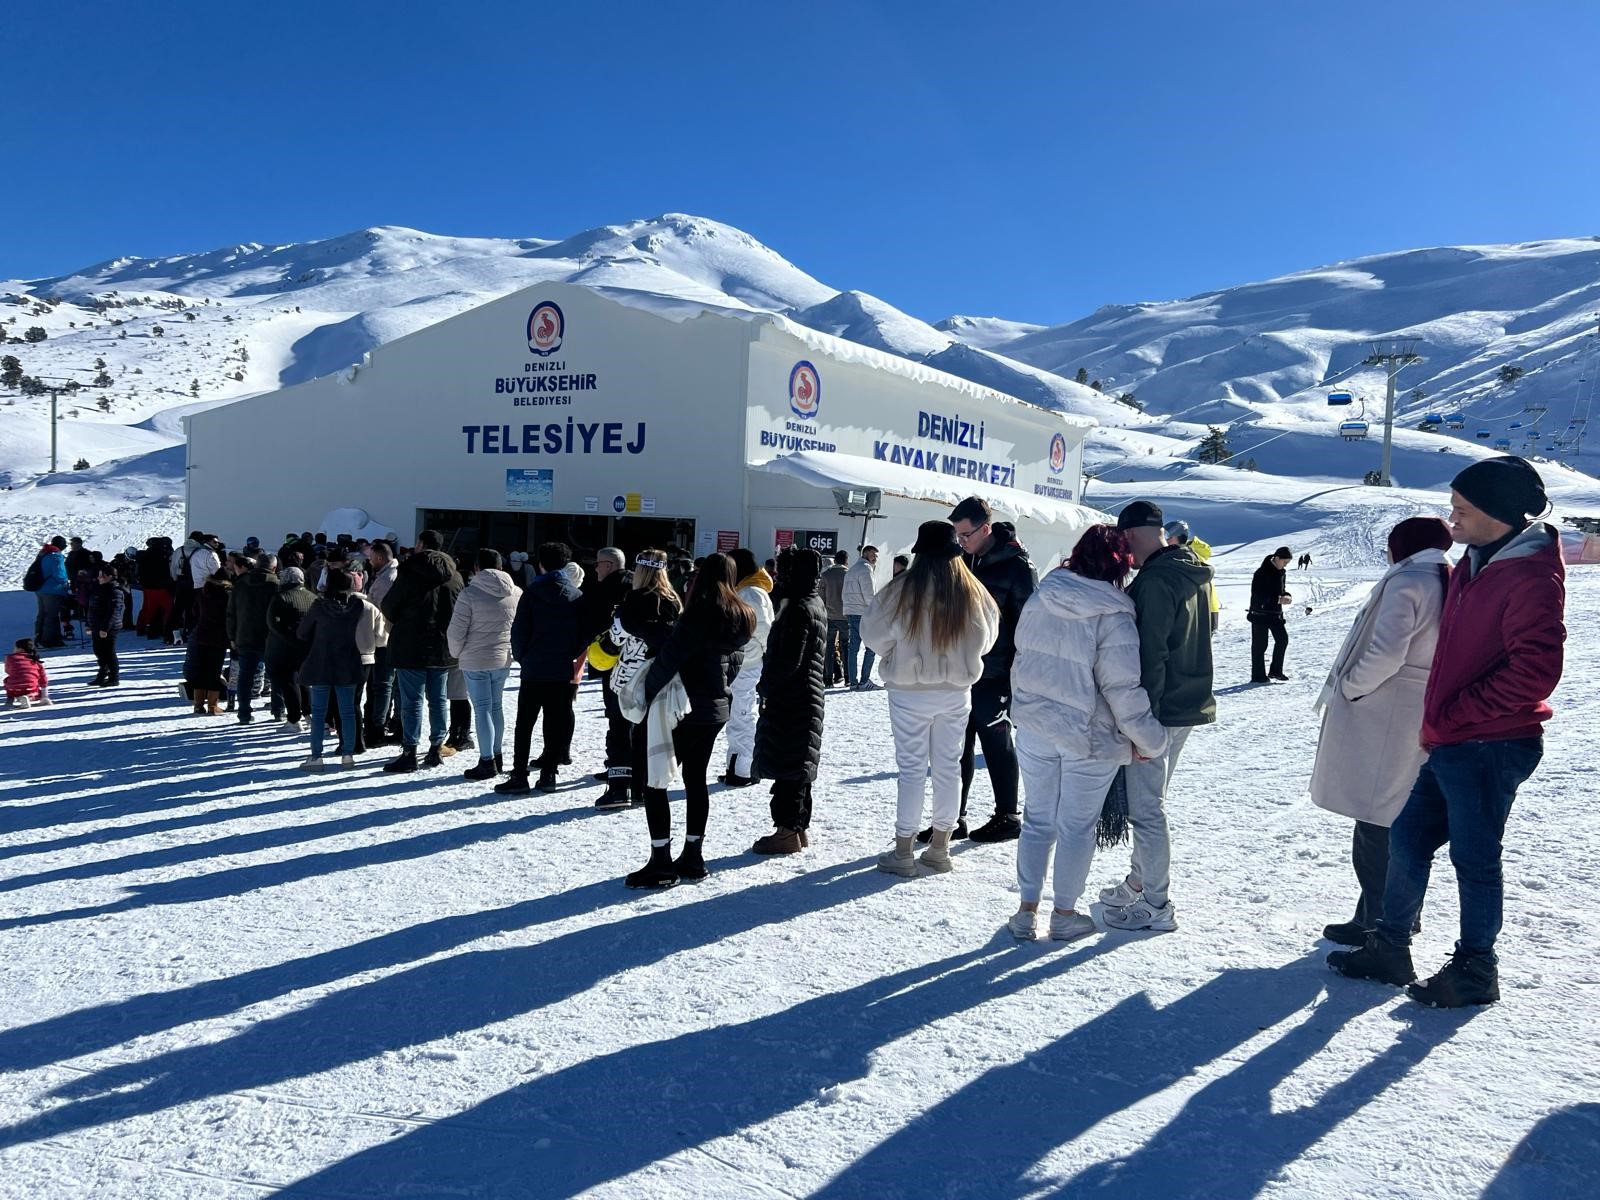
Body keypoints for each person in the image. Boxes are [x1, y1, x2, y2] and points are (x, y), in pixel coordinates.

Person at [1330, 457, 1565, 1007]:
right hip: (1451, 740)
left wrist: (1458, 713)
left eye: (1461, 510)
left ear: (1497, 514)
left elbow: (1536, 671)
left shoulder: (1531, 575)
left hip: (1492, 743)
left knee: (1475, 858)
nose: (1451, 521)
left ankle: (1476, 970)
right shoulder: (1473, 563)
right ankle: (1390, 947)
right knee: (1409, 840)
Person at [1008, 525, 1168, 941]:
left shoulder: (1041, 596)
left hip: (1036, 727)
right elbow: (1122, 689)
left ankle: (1026, 912)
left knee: (1037, 820)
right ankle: (1063, 914)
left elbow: (1021, 660)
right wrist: (1151, 740)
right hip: (1088, 737)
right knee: (1076, 827)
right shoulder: (1113, 614)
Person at [1312, 517, 1452, 946]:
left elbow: (1386, 651)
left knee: (1375, 820)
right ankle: (1397, 914)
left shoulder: (1409, 580)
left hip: (1384, 711)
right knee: (1398, 816)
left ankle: (1378, 920)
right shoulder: (1443, 576)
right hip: (1414, 709)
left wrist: (1352, 687)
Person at [1102, 500, 1215, 932]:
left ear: (1129, 535)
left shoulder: (1153, 581)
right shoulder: (1190, 567)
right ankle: (1140, 880)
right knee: (1152, 802)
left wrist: (1137, 721)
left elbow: (1151, 656)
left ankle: (1157, 903)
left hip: (1160, 708)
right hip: (1187, 701)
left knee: (1147, 809)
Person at [863, 520, 999, 878]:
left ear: (919, 552)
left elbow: (873, 635)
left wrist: (900, 651)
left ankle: (903, 850)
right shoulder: (973, 591)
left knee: (911, 770)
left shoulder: (899, 591)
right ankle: (940, 848)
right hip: (956, 692)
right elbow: (988, 641)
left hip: (908, 692)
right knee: (948, 768)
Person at [624, 552, 755, 889]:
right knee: (695, 778)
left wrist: (646, 695)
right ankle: (693, 855)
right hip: (715, 708)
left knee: (655, 781)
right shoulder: (742, 616)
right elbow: (735, 664)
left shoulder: (698, 614)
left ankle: (661, 862)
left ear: (702, 577)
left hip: (683, 707)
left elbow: (669, 659)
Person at [944, 496, 1036, 844]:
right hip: (962, 668)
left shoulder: (1017, 566)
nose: (960, 541)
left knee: (996, 741)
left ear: (985, 528)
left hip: (997, 671)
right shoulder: (965, 559)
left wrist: (1018, 673)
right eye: (957, 535)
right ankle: (954, 816)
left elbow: (1029, 625)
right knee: (958, 743)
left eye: (965, 534)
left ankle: (1007, 815)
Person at [750, 547, 828, 854]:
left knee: (787, 762)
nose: (778, 577)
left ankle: (786, 830)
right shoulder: (813, 602)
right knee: (799, 763)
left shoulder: (797, 608)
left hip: (792, 696)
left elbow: (788, 660)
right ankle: (797, 828)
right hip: (807, 694)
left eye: (784, 571)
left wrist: (766, 684)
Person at [497, 543, 585, 794]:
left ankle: (519, 775)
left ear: (540, 564)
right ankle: (549, 774)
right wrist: (569, 654)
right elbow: (582, 634)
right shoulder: (576, 596)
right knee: (555, 721)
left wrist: (524, 657)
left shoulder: (533, 592)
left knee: (525, 723)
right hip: (561, 668)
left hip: (534, 667)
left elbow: (519, 630)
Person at [380, 530, 465, 772]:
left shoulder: (409, 572)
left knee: (412, 701)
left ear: (420, 544)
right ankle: (436, 748)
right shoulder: (455, 576)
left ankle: (410, 751)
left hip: (410, 645)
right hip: (442, 645)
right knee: (438, 699)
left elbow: (389, 606)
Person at [604, 550, 682, 807]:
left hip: (628, 676)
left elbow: (616, 638)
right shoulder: (673, 601)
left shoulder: (633, 599)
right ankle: (641, 786)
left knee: (620, 730)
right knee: (646, 732)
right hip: (659, 676)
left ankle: (618, 788)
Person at [296, 568, 384, 771]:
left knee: (318, 713)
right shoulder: (358, 606)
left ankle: (316, 757)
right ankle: (348, 755)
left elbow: (302, 633)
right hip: (349, 663)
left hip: (321, 663)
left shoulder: (320, 606)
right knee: (347, 711)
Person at [447, 548, 520, 781]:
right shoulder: (516, 592)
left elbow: (457, 632)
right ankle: (497, 756)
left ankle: (486, 761)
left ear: (477, 568)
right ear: (501, 566)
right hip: (502, 657)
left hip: (475, 659)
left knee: (482, 709)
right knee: (496, 707)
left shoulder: (469, 594)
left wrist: (456, 653)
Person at [582, 548, 634, 806]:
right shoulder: (637, 586)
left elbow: (594, 623)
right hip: (638, 665)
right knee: (632, 720)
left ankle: (619, 777)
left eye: (598, 564)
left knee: (617, 720)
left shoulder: (606, 590)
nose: (595, 569)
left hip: (612, 661)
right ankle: (629, 773)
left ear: (610, 565)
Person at [723, 547, 774, 788]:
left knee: (743, 713)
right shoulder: (747, 589)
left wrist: (748, 650)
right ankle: (736, 765)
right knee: (738, 713)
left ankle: (743, 769)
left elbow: (762, 630)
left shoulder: (751, 592)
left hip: (748, 662)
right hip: (744, 661)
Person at [226, 552, 278, 724]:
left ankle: (244, 712)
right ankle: (278, 709)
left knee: (245, 675)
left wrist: (232, 636)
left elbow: (231, 613)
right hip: (270, 638)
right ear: (274, 567)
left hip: (244, 635)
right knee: (276, 675)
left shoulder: (240, 584)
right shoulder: (276, 585)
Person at [266, 567, 316, 731]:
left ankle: (294, 719)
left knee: (289, 682)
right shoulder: (312, 597)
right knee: (303, 682)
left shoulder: (281, 597)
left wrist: (288, 638)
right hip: (307, 645)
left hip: (284, 648)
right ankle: (308, 714)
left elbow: (273, 624)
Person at [363, 539, 400, 745]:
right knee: (387, 685)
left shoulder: (386, 579)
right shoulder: (388, 575)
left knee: (383, 685)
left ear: (379, 557)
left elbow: (380, 611)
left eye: (370, 558)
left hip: (384, 638)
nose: (369, 562)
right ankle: (383, 721)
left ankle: (377, 726)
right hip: (387, 637)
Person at [186, 569, 233, 716]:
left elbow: (194, 612)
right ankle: (213, 706)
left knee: (201, 670)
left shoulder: (203, 593)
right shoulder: (227, 595)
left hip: (202, 633)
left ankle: (198, 705)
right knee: (214, 671)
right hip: (218, 636)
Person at [1165, 520, 1222, 634]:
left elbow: (1204, 551)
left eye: (1168, 536)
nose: (1165, 540)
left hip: (1204, 607)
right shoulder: (1173, 554)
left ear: (1177, 536)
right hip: (1192, 607)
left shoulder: (1190, 555)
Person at [1247, 546, 1294, 682]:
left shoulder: (1282, 573)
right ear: (1277, 558)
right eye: (1284, 562)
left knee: (1282, 640)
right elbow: (1257, 596)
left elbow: (1282, 590)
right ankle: (1258, 676)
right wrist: (1278, 599)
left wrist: (1287, 596)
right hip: (1259, 614)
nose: (1285, 565)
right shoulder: (1261, 573)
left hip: (1275, 614)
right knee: (1260, 645)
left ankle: (1275, 671)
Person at [842, 545, 881, 690]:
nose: (875, 558)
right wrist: (876, 611)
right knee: (871, 647)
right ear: (865, 554)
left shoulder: (852, 569)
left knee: (853, 648)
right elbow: (869, 595)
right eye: (873, 554)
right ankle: (864, 681)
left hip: (851, 612)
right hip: (864, 613)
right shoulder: (865, 569)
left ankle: (852, 682)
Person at [85, 563, 126, 688]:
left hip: (109, 627)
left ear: (109, 576)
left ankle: (114, 677)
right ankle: (102, 673)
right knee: (98, 650)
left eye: (101, 576)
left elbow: (113, 612)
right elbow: (91, 608)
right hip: (97, 625)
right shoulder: (99, 589)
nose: (98, 578)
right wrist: (89, 624)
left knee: (108, 651)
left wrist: (105, 628)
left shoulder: (115, 591)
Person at [30, 538, 71, 649]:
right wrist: (66, 583)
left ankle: (39, 637)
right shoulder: (56, 556)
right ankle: (50, 640)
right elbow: (60, 575)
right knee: (52, 615)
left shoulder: (43, 553)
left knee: (42, 613)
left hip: (40, 589)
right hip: (53, 590)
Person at [819, 550, 850, 686]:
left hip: (829, 616)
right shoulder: (849, 575)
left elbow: (821, 597)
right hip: (845, 616)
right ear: (846, 560)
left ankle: (828, 678)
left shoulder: (825, 575)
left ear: (835, 560)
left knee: (829, 648)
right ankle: (848, 677)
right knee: (846, 647)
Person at [135, 536, 176, 641]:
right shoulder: (163, 555)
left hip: (148, 587)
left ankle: (147, 630)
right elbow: (168, 571)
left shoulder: (143, 556)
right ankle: (168, 630)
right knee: (169, 609)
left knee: (149, 609)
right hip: (162, 587)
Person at [4, 639, 50, 709]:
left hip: (14, 688)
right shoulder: (35, 660)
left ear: (20, 649)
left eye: (15, 647)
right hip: (31, 687)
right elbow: (43, 679)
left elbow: (8, 671)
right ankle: (30, 697)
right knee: (37, 691)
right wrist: (44, 696)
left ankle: (10, 699)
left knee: (7, 680)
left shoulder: (10, 657)